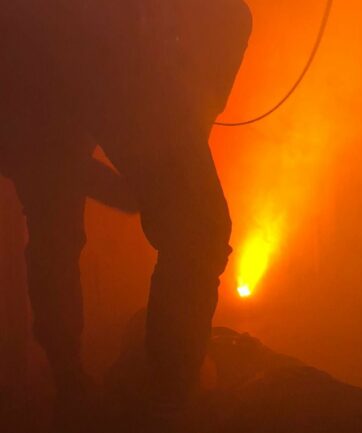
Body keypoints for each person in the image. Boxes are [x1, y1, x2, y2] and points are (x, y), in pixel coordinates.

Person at [0, 0, 252, 429]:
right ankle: (160, 405)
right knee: (196, 229)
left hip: (48, 52)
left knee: (55, 229)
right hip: (75, 48)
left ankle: (79, 386)